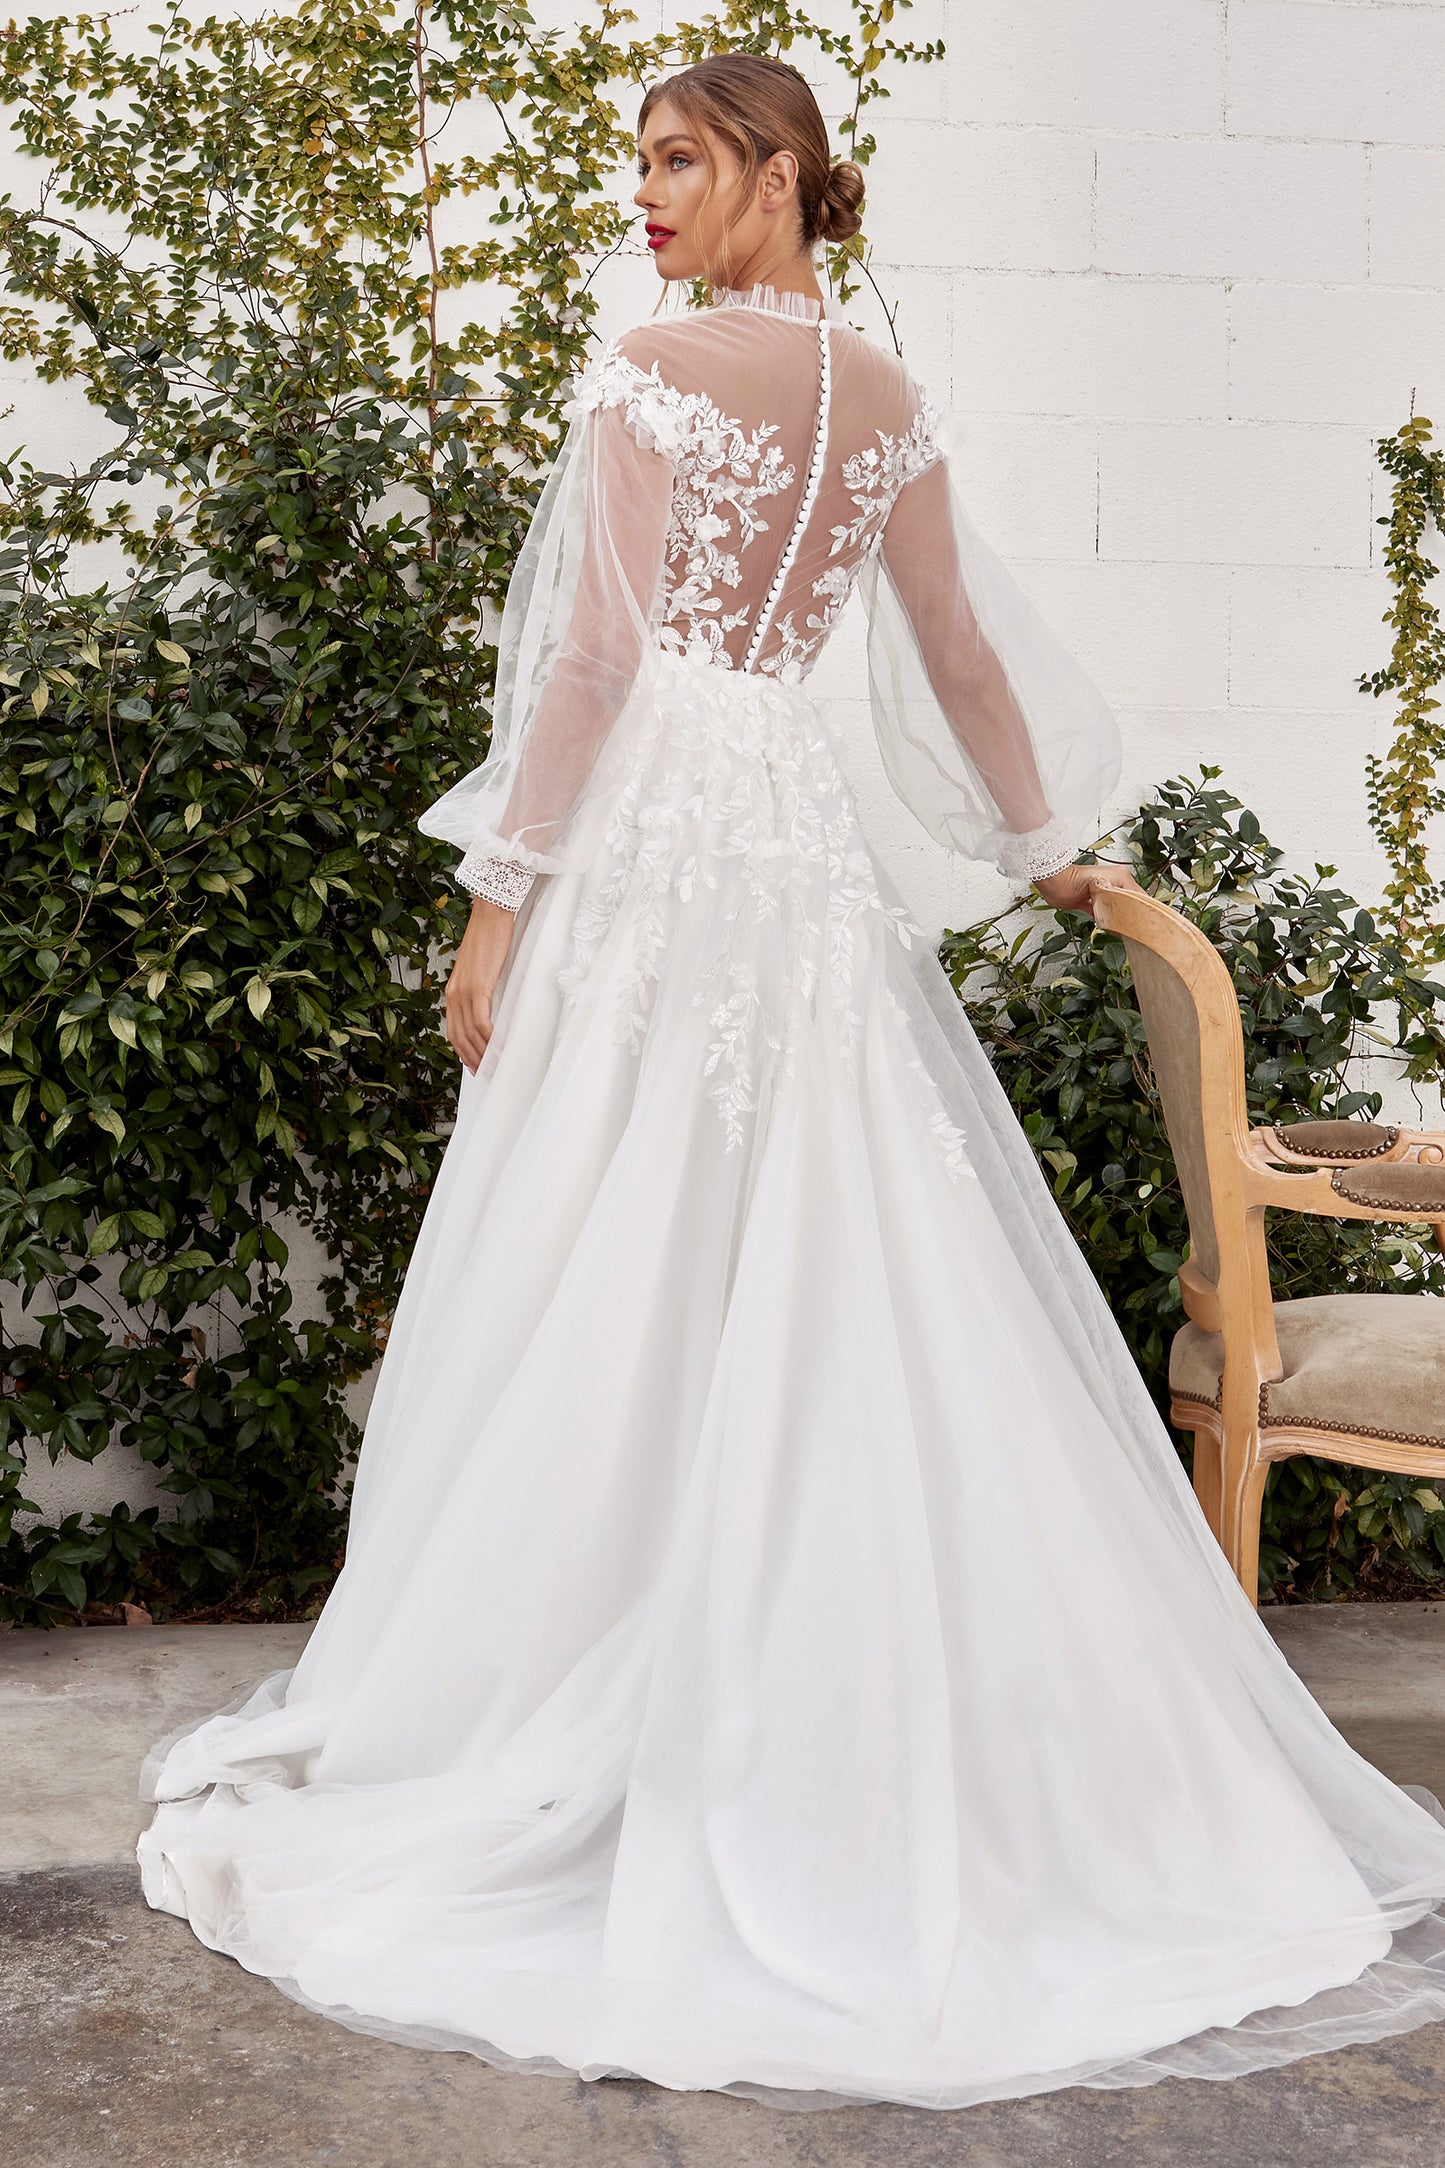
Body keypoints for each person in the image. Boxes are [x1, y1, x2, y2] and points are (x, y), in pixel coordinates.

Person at [137, 54, 1445, 2110]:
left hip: (664, 835)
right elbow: (959, 657)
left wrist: (496, 903)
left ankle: (609, 1669)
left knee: (609, 1225)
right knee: (828, 1223)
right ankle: (822, 1674)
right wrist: (1044, 846)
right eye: (638, 164)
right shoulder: (887, 396)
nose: (646, 195)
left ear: (775, 170)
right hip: (794, 845)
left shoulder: (654, 371)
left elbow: (591, 665)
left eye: (678, 158)